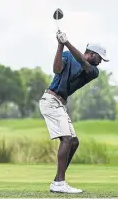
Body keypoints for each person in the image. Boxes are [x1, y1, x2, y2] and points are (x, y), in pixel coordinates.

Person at [39, 31, 109, 194]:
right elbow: (57, 69)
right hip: (50, 100)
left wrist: (67, 42)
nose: (100, 62)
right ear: (93, 54)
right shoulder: (67, 56)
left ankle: (57, 181)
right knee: (67, 139)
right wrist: (60, 44)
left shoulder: (93, 71)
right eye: (100, 58)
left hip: (60, 104)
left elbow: (83, 61)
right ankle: (60, 183)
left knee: (74, 142)